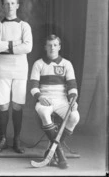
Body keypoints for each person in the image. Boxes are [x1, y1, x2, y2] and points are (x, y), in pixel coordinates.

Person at [29, 34, 80, 169]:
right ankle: (60, 154)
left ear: (59, 47)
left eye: (55, 45)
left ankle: (52, 149)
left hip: (62, 100)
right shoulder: (38, 64)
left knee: (75, 117)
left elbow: (72, 86)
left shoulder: (66, 64)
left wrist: (73, 100)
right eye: (49, 45)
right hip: (44, 99)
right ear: (45, 47)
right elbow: (33, 87)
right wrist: (39, 97)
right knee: (45, 114)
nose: (52, 48)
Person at [0, 0, 33, 153]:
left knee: (17, 105)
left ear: (17, 5)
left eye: (12, 3)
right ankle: (2, 138)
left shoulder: (24, 26)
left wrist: (6, 46)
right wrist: (16, 44)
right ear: (3, 6)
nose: (9, 6)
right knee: (3, 105)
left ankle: (16, 139)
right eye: (6, 3)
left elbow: (28, 47)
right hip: (2, 69)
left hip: (20, 69)